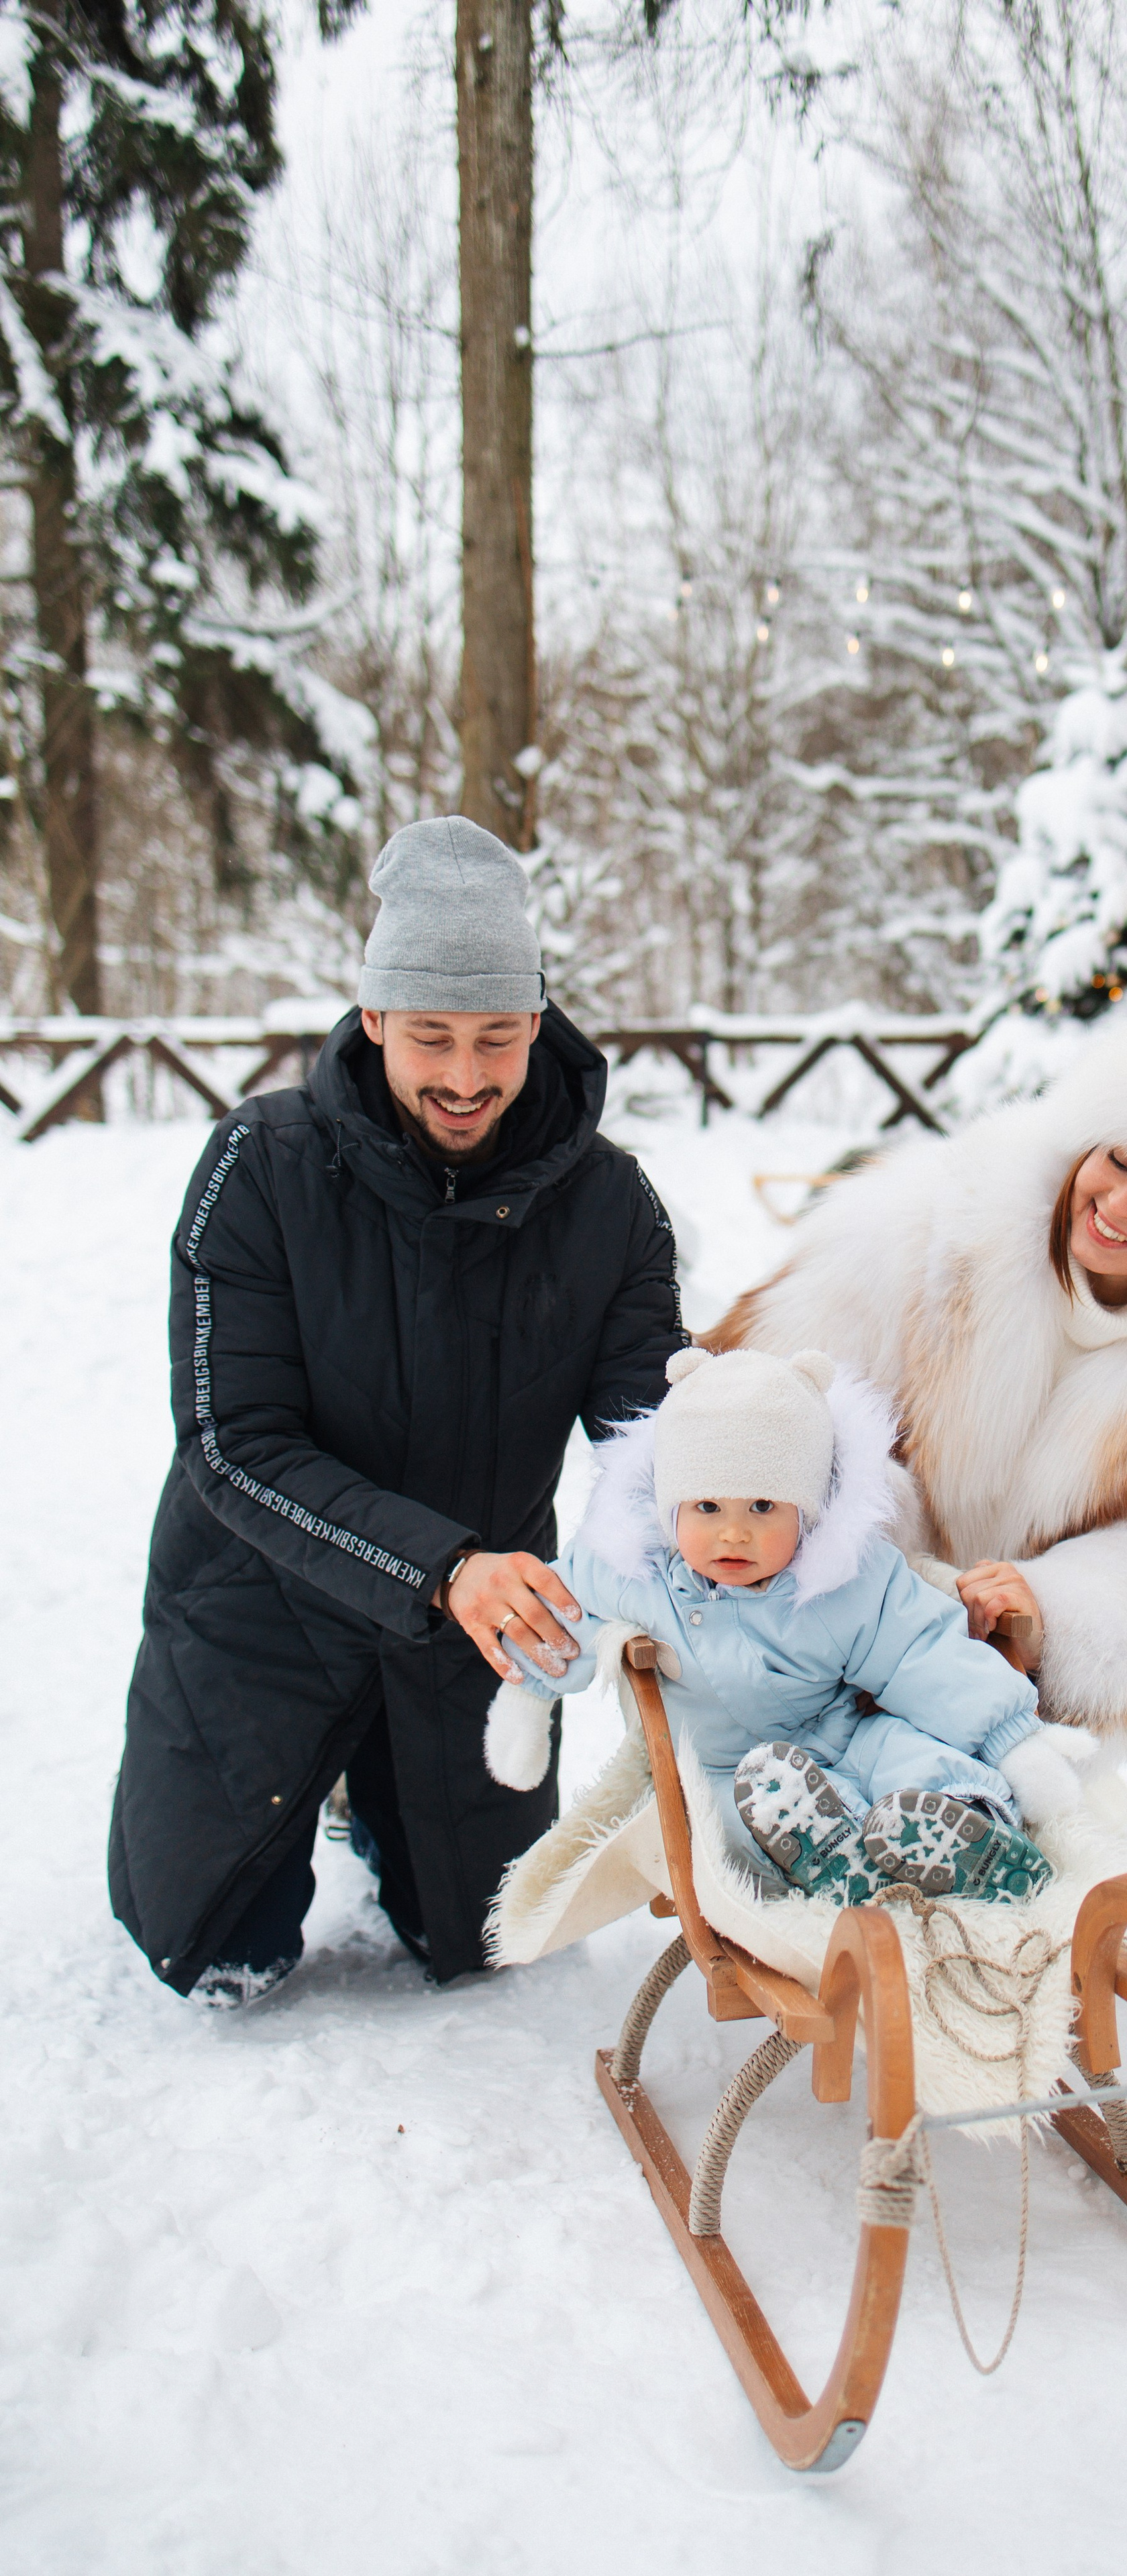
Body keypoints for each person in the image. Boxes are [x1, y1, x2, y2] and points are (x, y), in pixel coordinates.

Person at [110, 816, 685, 2004]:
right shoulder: (257, 1167)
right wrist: (442, 1568)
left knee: (481, 1944)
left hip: (475, 1642)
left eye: (497, 1038)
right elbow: (232, 1444)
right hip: (261, 1608)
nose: (465, 1077)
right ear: (373, 1018)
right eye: (432, 1037)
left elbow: (653, 1445)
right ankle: (317, 1793)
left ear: (539, 1020)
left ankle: (379, 1802)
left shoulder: (613, 1204)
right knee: (212, 1948)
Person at [705, 1008, 1127, 1750]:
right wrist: (886, 1553)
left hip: (1010, 1699)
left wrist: (1048, 1611)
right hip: (821, 1646)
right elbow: (756, 1406)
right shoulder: (930, 1225)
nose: (1119, 1205)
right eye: (1118, 1161)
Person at [485, 1345, 1090, 1903]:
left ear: (808, 1510)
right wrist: (528, 1698)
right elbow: (558, 1617)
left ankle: (970, 1830)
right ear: (670, 1506)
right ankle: (838, 1855)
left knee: (907, 1753)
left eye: (763, 1506)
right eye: (707, 1506)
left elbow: (923, 1653)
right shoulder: (633, 1574)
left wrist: (1011, 1739)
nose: (733, 1532)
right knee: (744, 1814)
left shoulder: (845, 1580)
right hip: (731, 1771)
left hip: (843, 1737)